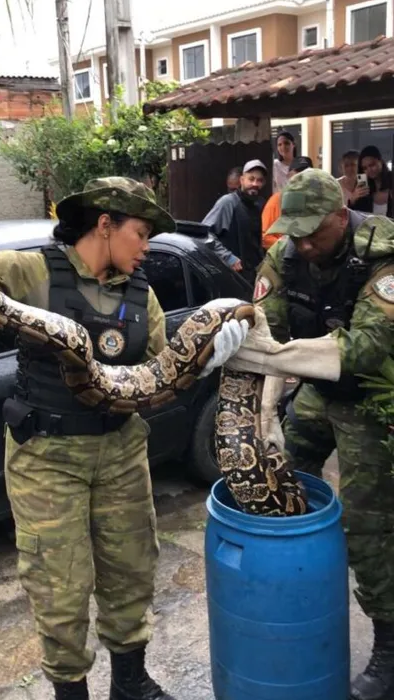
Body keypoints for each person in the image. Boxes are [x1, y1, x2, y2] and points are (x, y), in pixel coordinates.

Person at [0, 177, 250, 700]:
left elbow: (157, 371)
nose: (147, 247)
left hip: (122, 449)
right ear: (104, 224)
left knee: (131, 569)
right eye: (140, 233)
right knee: (58, 584)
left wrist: (201, 362)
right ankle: (70, 691)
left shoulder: (141, 294)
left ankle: (131, 681)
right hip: (47, 455)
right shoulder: (31, 271)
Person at [255, 169, 394, 700]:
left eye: (316, 232)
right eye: (297, 232)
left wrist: (282, 356)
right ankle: (306, 580)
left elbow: (364, 350)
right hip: (317, 389)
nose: (305, 243)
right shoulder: (287, 254)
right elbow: (261, 330)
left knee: (371, 523)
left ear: (342, 216)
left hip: (371, 394)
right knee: (284, 473)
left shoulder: (381, 255)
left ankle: (388, 646)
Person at [202, 159, 267, 286]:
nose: (255, 183)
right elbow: (204, 234)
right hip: (232, 279)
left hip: (254, 278)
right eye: (251, 179)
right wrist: (227, 257)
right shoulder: (228, 203)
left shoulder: (260, 205)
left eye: (259, 180)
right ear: (242, 180)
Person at [261, 156, 313, 250]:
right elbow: (265, 237)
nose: (302, 179)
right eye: (297, 175)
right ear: (289, 176)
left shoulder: (318, 200)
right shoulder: (277, 200)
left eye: (306, 175)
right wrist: (289, 248)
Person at [351, 145, 393, 218]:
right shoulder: (364, 189)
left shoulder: (391, 180)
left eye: (372, 165)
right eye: (365, 168)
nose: (369, 170)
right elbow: (355, 217)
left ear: (380, 161)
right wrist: (352, 200)